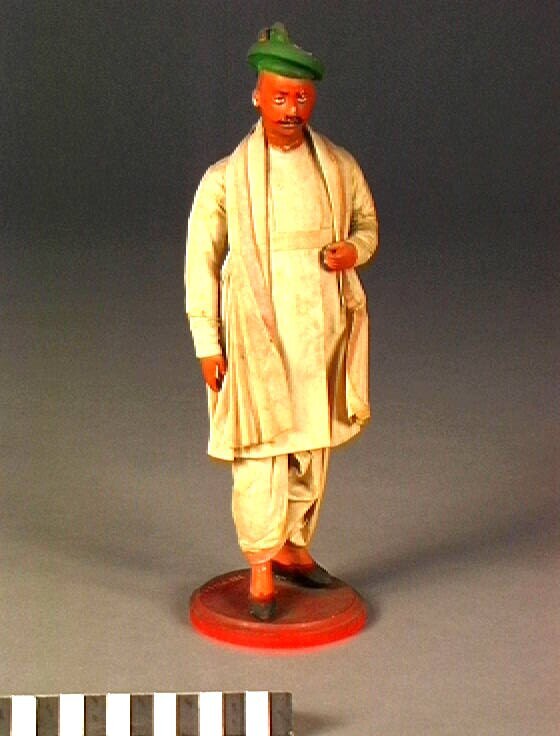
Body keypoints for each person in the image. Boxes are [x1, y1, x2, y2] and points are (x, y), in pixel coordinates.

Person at [185, 23, 378, 621]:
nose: (290, 109)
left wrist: (353, 251)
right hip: (256, 341)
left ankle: (294, 548)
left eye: (300, 97)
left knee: (312, 450)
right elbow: (201, 263)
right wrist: (207, 343)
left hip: (321, 338)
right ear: (257, 97)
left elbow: (367, 225)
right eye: (279, 96)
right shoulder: (225, 179)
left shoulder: (338, 167)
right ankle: (261, 568)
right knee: (262, 455)